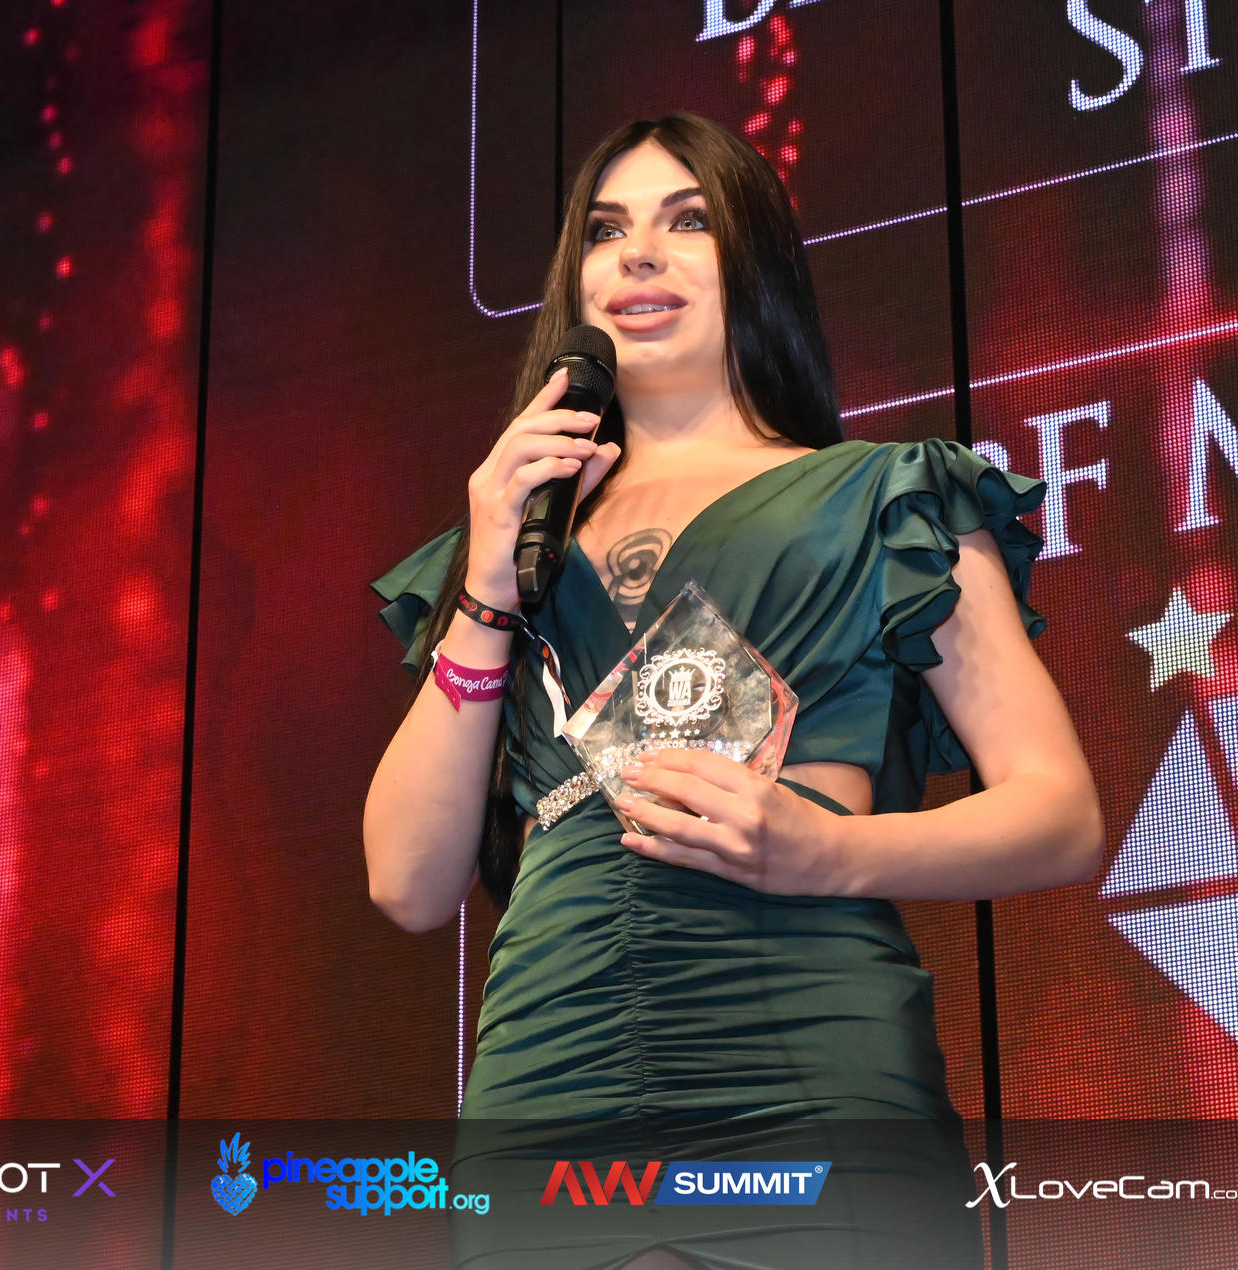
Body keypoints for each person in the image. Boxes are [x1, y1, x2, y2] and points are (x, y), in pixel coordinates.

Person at [363, 112, 1102, 1270]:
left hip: (799, 1037)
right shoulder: (508, 541)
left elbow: (1058, 812)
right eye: (604, 230)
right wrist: (488, 586)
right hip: (549, 1072)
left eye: (686, 220)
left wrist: (832, 853)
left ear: (753, 259)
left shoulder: (883, 497)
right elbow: (408, 883)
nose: (636, 255)